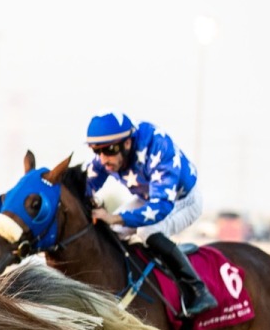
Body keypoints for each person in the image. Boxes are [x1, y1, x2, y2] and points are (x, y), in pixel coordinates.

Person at [84, 111, 218, 316]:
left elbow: (161, 206)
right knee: (109, 231)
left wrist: (116, 216)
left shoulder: (158, 146)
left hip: (181, 200)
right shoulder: (109, 156)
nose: (103, 159)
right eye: (96, 151)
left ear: (127, 143)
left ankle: (198, 290)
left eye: (108, 151)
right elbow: (85, 185)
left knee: (146, 230)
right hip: (148, 199)